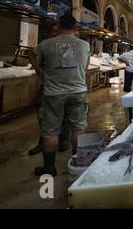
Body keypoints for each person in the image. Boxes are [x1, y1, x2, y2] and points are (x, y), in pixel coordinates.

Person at [30, 15, 90, 176]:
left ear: (59, 25)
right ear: (75, 28)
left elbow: (31, 54)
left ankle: (49, 168)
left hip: (53, 94)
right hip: (78, 92)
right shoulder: (84, 45)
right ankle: (79, 162)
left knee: (50, 131)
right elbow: (85, 67)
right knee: (78, 127)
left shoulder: (46, 44)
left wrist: (40, 71)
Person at [28, 23, 70, 156]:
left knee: (64, 115)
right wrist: (38, 70)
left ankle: (63, 140)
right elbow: (32, 54)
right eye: (54, 31)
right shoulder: (45, 45)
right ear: (50, 33)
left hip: (63, 87)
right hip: (45, 86)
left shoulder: (65, 47)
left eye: (59, 31)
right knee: (43, 116)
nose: (57, 34)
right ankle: (43, 142)